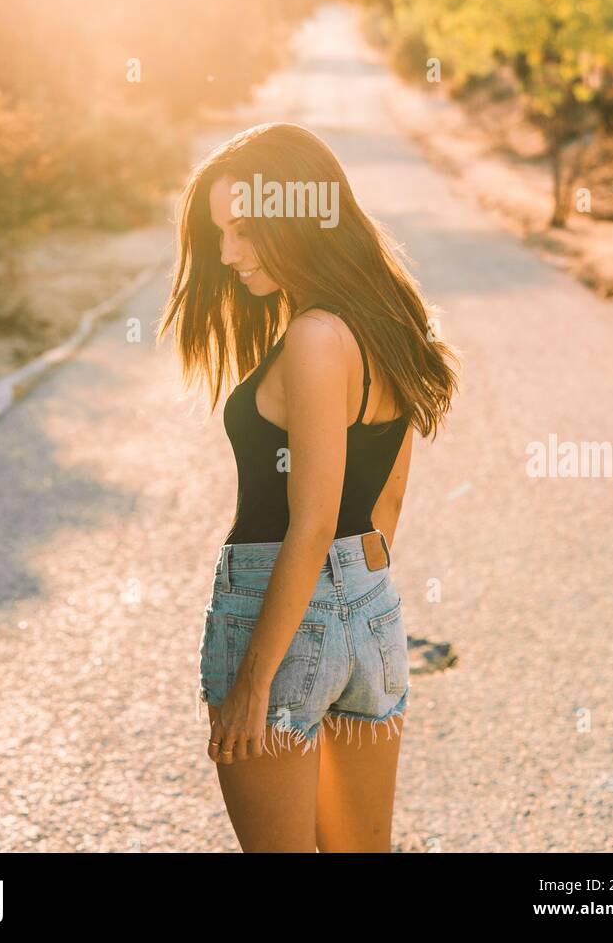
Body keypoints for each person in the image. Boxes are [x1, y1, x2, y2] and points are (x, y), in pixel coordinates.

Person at [158, 121, 459, 852]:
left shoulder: (314, 338)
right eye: (221, 235)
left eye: (244, 231)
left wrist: (257, 680)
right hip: (372, 612)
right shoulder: (388, 321)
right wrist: (357, 599)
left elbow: (312, 518)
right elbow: (383, 502)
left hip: (279, 611)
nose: (228, 254)